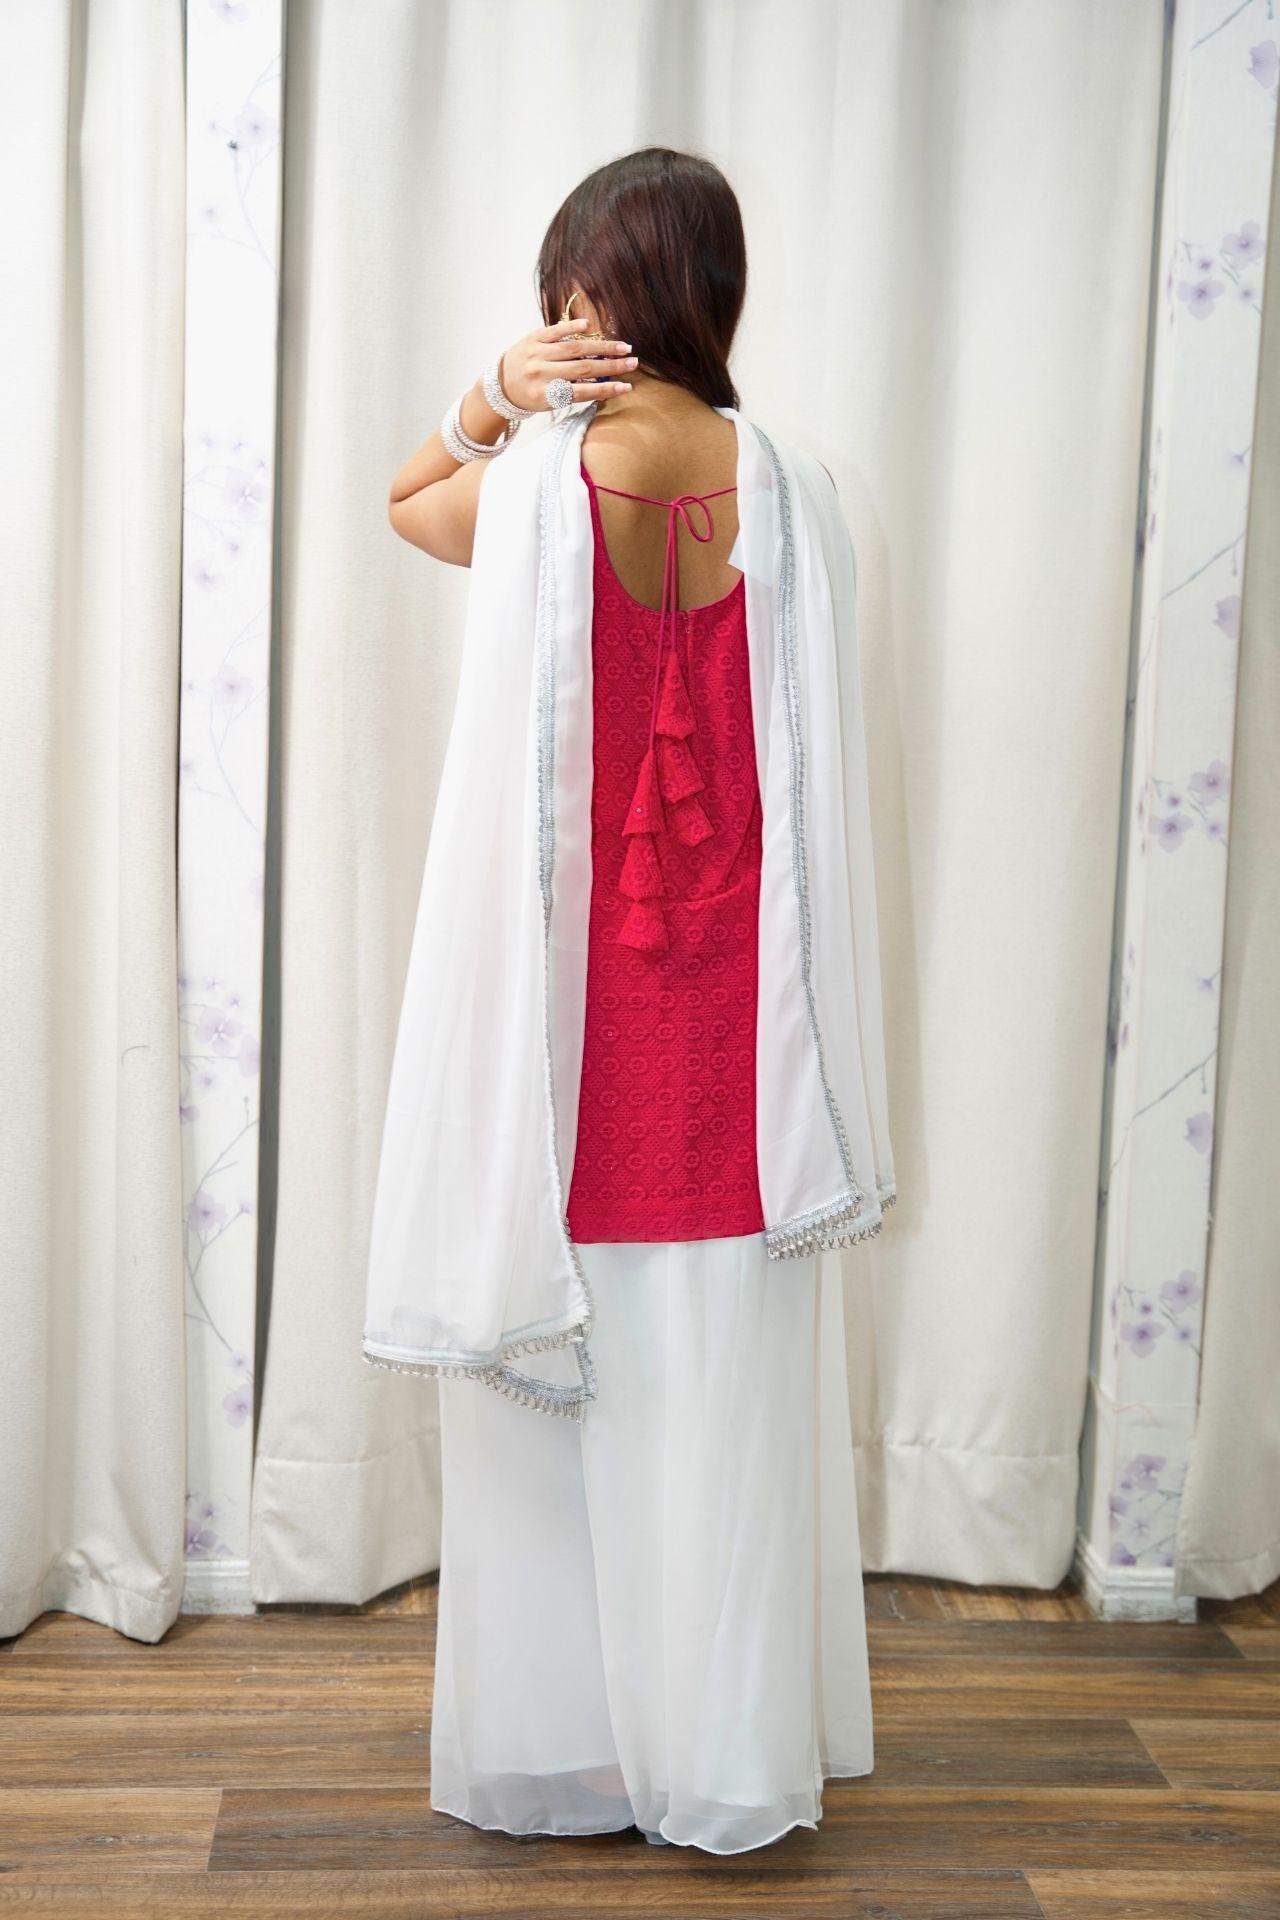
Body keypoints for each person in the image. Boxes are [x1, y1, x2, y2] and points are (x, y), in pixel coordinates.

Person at [363, 146, 895, 1854]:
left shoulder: (545, 481)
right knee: (720, 1386)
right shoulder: (803, 487)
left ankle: (581, 1746)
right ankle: (722, 1756)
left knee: (574, 1374)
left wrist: (488, 395)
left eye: (567, 288)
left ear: (599, 294)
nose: (560, 313)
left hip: (579, 1009)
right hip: (747, 1012)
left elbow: (407, 503)